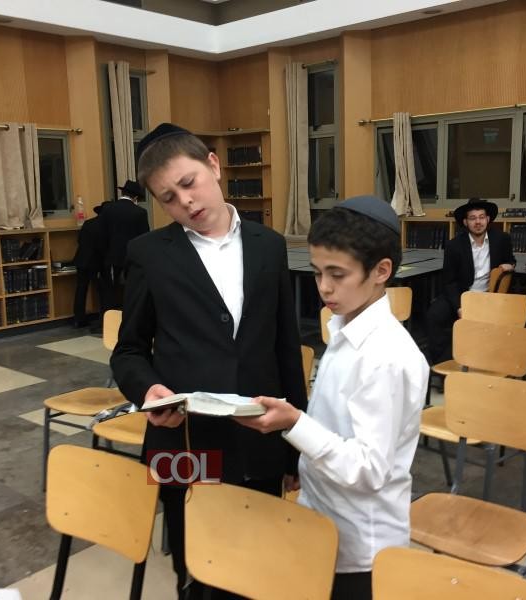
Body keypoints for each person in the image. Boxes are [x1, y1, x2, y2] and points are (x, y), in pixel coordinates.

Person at [110, 123, 308, 600]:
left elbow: (286, 346)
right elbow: (129, 349)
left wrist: (294, 446)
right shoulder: (148, 255)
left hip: (260, 434)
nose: (186, 202)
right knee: (197, 562)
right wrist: (148, 390)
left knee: (257, 558)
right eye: (169, 198)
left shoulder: (269, 244)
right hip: (184, 439)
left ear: (213, 166)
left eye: (189, 182)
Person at [237, 196, 429, 600]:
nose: (324, 287)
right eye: (317, 272)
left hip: (361, 545)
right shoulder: (344, 328)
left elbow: (369, 470)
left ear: (381, 271)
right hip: (323, 520)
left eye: (337, 274)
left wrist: (294, 424)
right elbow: (333, 426)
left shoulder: (386, 356)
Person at [425, 197, 515, 364]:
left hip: (489, 296)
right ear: (466, 222)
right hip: (462, 293)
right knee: (435, 315)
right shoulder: (454, 245)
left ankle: (488, 360)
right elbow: (449, 281)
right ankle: (442, 365)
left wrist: (510, 265)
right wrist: (459, 306)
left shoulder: (502, 239)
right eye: (473, 218)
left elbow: (510, 260)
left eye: (481, 217)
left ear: (488, 219)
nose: (478, 222)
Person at [96, 179, 150, 311]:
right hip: (133, 257)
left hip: (111, 257)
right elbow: (144, 237)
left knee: (111, 289)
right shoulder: (140, 212)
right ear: (135, 197)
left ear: (122, 193)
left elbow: (101, 234)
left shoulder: (108, 209)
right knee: (132, 288)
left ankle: (110, 316)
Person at [72, 205, 109, 327]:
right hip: (96, 262)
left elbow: (79, 240)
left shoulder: (88, 223)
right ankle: (104, 318)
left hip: (81, 260)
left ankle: (79, 319)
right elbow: (103, 246)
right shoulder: (106, 225)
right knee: (102, 290)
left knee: (81, 289)